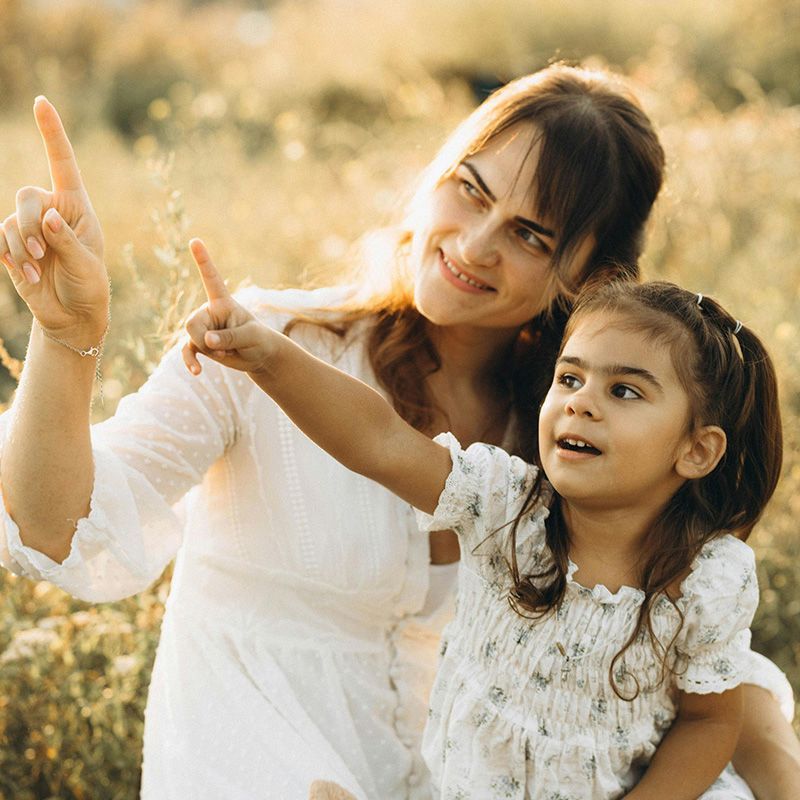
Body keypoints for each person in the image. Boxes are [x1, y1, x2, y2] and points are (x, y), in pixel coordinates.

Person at [0, 66, 796, 799]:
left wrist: (766, 754)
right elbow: (57, 526)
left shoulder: (572, 434)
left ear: (591, 279)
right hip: (257, 760)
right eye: (471, 190)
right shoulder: (266, 346)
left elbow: (661, 636)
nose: (475, 245)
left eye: (530, 235)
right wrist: (69, 335)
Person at [181, 267, 781, 798]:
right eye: (569, 379)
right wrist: (267, 356)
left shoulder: (706, 578)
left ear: (697, 449)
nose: (582, 403)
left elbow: (710, 722)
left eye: (624, 391)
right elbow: (379, 442)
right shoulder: (501, 506)